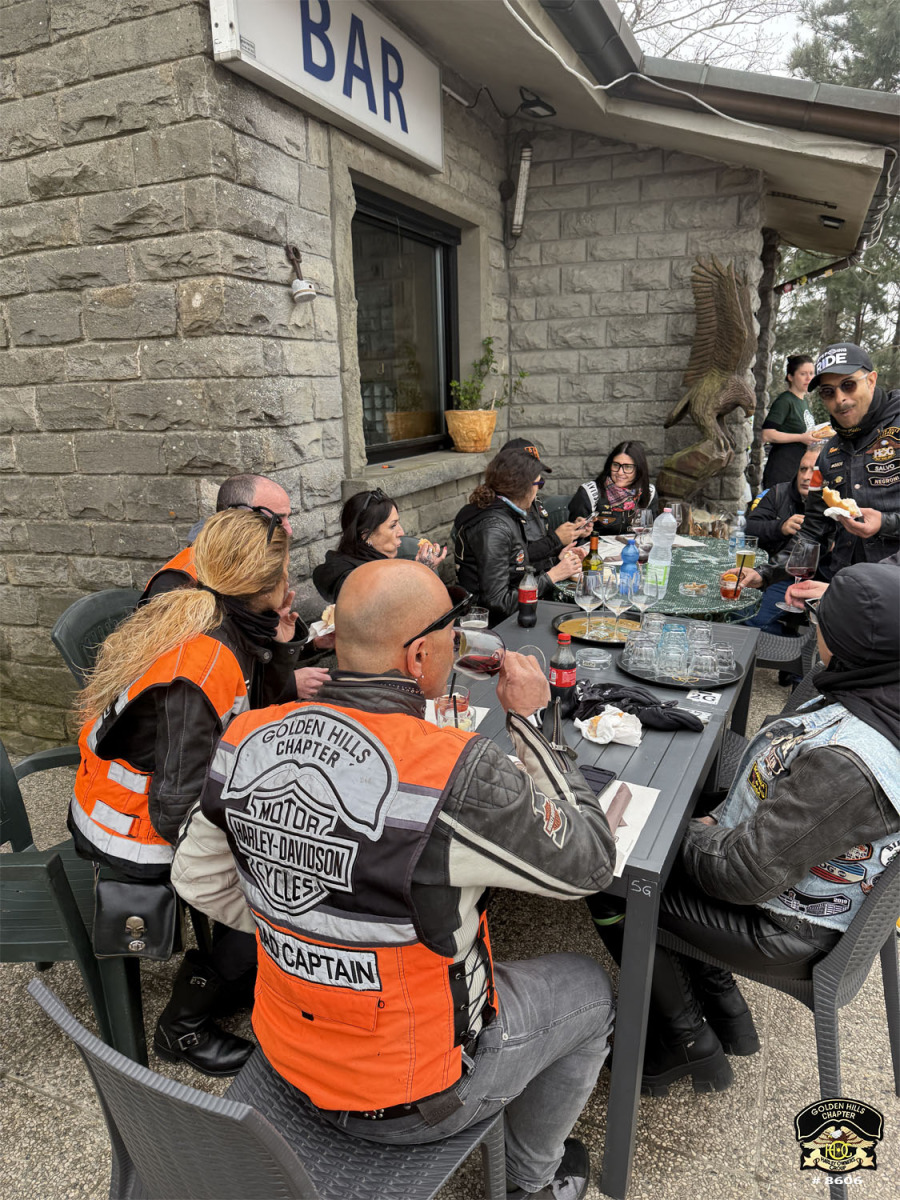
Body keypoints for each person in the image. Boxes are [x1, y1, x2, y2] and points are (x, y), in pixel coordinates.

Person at [173, 560, 617, 1200]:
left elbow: (196, 878)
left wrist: (301, 925)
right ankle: (532, 1183)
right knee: (591, 990)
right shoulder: (455, 770)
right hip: (413, 1096)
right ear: (419, 657)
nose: (456, 644)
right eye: (452, 634)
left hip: (285, 1051)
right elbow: (590, 862)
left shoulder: (246, 736)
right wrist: (531, 721)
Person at [589, 561, 900, 1097]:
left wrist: (686, 828)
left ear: (851, 643)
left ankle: (684, 1040)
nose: (814, 627)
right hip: (785, 871)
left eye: (821, 619)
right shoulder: (876, 689)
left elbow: (739, 874)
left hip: (785, 926)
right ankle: (725, 1008)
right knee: (665, 817)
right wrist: (710, 821)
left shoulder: (849, 765)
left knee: (605, 868)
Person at [68, 509, 327, 1075]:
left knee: (284, 845)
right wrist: (260, 837)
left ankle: (237, 976)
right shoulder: (205, 656)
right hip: (130, 828)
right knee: (283, 880)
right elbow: (176, 808)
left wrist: (281, 646)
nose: (291, 584)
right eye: (286, 574)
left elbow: (253, 712)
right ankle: (182, 1027)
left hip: (135, 803)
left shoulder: (215, 606)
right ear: (265, 585)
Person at [740, 342, 900, 597]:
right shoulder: (828, 453)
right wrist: (765, 573)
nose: (840, 399)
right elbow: (814, 530)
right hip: (842, 590)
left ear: (871, 380)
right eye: (828, 392)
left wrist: (886, 523)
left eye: (848, 385)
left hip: (890, 594)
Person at [452, 450, 581, 625]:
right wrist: (552, 576)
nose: (538, 489)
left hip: (510, 617)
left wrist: (556, 562)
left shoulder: (506, 513)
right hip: (491, 625)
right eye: (539, 483)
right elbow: (498, 603)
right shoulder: (494, 529)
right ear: (522, 487)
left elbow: (515, 567)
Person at [142, 472, 295, 600]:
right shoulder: (177, 582)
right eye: (276, 520)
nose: (289, 531)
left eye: (287, 517)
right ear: (238, 517)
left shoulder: (255, 560)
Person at [312, 488, 448, 604]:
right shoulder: (347, 576)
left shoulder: (396, 559)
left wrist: (422, 570)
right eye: (393, 526)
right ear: (366, 535)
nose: (401, 532)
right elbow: (385, 605)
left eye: (398, 523)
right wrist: (419, 572)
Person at [741, 447, 822, 637]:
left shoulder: (835, 505)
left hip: (810, 580)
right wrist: (780, 527)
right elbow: (749, 528)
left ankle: (800, 645)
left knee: (752, 618)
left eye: (814, 471)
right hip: (770, 570)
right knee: (733, 607)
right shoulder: (780, 492)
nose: (806, 477)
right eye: (803, 469)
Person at [498, 437, 593, 573]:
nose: (536, 487)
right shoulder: (498, 513)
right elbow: (513, 560)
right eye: (531, 478)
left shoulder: (533, 500)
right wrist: (556, 540)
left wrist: (572, 534)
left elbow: (541, 544)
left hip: (538, 575)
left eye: (539, 480)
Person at [567, 441, 656, 534]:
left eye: (628, 467)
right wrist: (583, 532)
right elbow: (573, 537)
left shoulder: (649, 492)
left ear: (639, 469)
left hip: (635, 543)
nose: (620, 472)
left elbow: (652, 533)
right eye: (616, 465)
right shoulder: (588, 493)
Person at [760, 354, 819, 487]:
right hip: (782, 471)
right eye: (803, 374)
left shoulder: (804, 401)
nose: (809, 378)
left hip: (797, 471)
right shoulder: (785, 401)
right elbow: (766, 434)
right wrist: (801, 437)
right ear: (790, 377)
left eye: (811, 373)